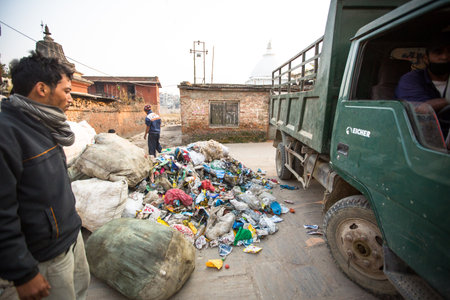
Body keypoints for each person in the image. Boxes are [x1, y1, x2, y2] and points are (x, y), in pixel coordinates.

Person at [0, 51, 90, 300]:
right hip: (44, 255)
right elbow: (2, 211)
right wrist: (23, 272)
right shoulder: (8, 134)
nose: (71, 99)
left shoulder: (42, 123)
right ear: (42, 89)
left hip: (71, 237)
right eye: (67, 91)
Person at [395, 37, 450, 141]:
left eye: (449, 52)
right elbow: (420, 109)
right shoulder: (411, 80)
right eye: (438, 52)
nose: (445, 57)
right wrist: (448, 100)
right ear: (426, 58)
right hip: (423, 140)